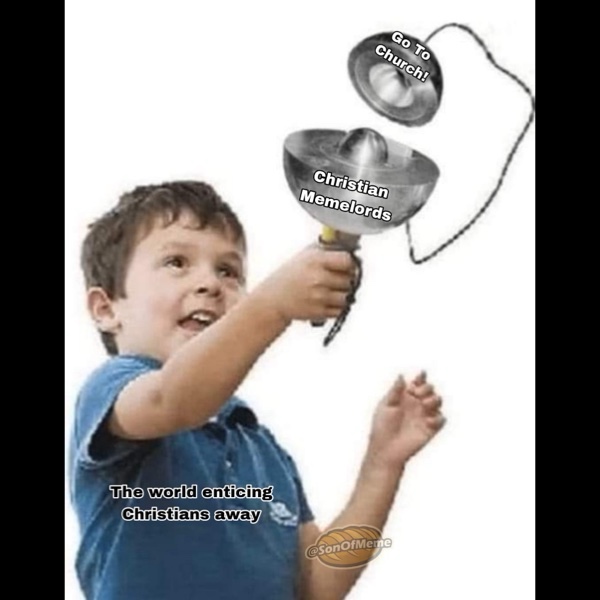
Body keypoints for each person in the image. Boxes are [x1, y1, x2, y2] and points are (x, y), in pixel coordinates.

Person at [69, 180, 446, 600]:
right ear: (106, 309)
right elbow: (172, 400)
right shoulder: (113, 390)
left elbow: (317, 585)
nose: (210, 283)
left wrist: (381, 465)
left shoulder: (264, 450)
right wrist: (272, 305)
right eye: (177, 262)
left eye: (228, 271)